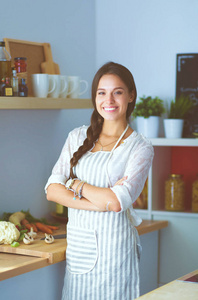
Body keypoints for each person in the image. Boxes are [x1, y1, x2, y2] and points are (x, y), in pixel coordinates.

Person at [45, 62, 154, 300]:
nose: (109, 100)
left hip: (116, 254)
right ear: (95, 97)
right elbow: (52, 190)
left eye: (118, 92)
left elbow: (116, 202)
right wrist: (100, 201)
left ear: (131, 95)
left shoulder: (140, 147)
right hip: (80, 250)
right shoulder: (76, 137)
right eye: (102, 92)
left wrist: (75, 185)